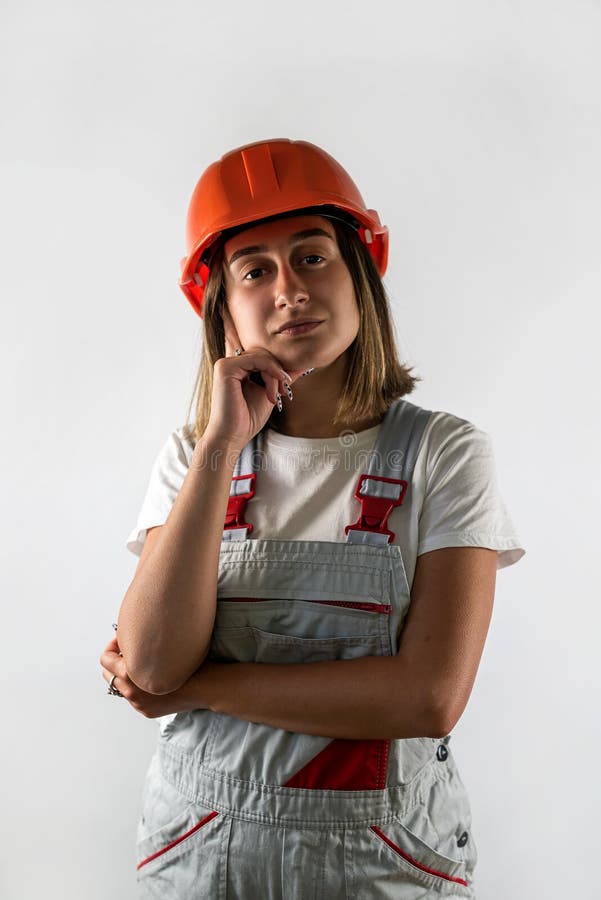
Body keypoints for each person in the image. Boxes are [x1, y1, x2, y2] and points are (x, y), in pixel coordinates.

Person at [100, 138, 525, 898]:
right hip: (200, 858)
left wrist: (206, 689)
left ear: (360, 275)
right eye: (254, 271)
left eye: (311, 257)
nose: (289, 289)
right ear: (222, 312)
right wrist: (221, 445)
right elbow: (153, 665)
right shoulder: (193, 456)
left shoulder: (444, 454)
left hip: (383, 865)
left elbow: (427, 698)